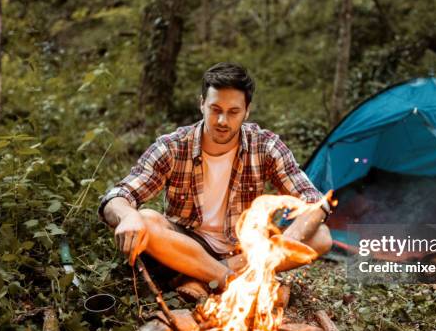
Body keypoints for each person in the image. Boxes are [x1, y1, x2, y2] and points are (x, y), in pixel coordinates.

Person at [98, 62, 332, 289]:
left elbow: (314, 201)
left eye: (233, 112)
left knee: (320, 236)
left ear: (247, 112)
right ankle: (229, 281)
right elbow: (118, 195)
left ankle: (201, 277)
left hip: (242, 248)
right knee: (147, 219)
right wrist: (127, 215)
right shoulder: (173, 146)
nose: (222, 121)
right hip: (186, 244)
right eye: (215, 109)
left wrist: (285, 240)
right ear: (202, 104)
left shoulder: (265, 145)